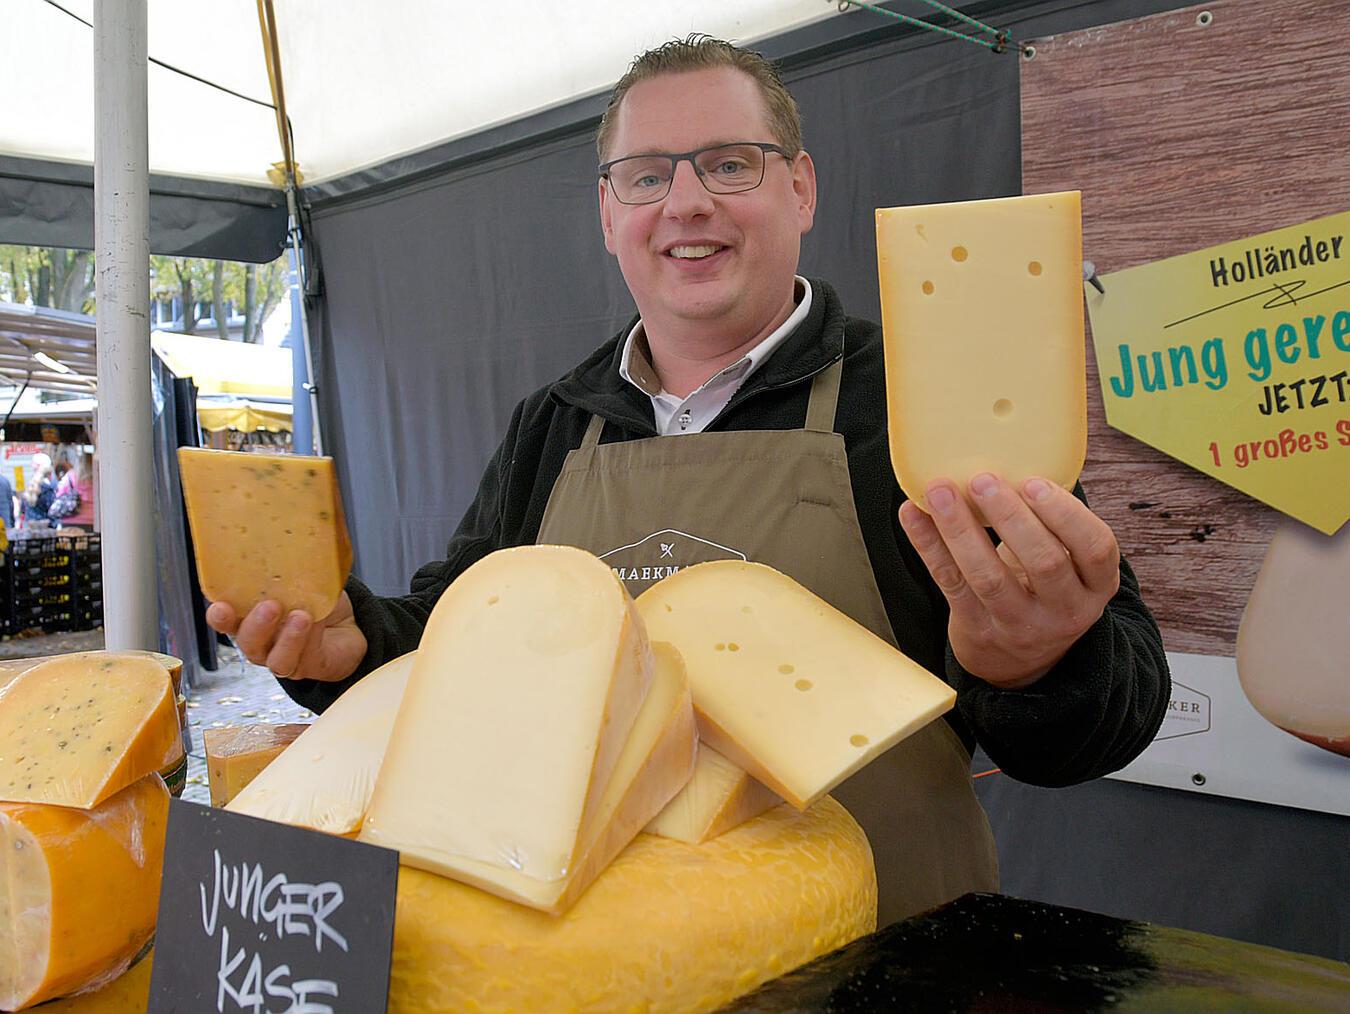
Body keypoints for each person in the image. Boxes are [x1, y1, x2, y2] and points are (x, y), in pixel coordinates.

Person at [208, 37, 1169, 924]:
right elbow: (456, 645)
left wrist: (1040, 663)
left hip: (887, 954)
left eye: (728, 164)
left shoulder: (922, 397)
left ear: (799, 189)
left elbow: (1104, 719)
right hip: (611, 959)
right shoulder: (557, 421)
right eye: (646, 176)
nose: (686, 203)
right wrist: (347, 650)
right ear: (608, 214)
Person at [22, 453, 55, 524]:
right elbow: (52, 511)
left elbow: (23, 508)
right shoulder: (48, 488)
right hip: (44, 527)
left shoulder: (30, 485)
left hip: (29, 526)